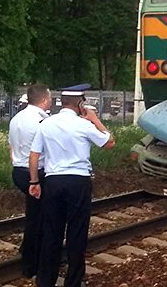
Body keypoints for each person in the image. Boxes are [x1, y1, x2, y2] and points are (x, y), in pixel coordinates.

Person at [28, 84, 115, 287]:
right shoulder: (83, 125)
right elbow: (110, 143)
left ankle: (45, 280)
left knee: (52, 231)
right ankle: (73, 281)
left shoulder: (46, 124)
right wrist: (95, 120)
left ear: (62, 102)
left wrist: (34, 181)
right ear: (80, 103)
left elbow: (34, 155)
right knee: (77, 232)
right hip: (78, 182)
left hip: (53, 181)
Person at [8, 84, 52, 278]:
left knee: (33, 212)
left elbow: (11, 146)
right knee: (39, 218)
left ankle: (26, 248)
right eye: (50, 97)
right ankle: (31, 264)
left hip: (18, 170)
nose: (51, 100)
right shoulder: (42, 121)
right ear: (43, 100)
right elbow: (46, 149)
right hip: (36, 173)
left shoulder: (16, 118)